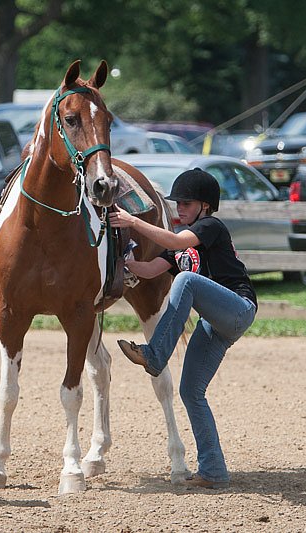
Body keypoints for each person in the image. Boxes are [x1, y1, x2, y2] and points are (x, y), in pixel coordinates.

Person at [108, 167, 257, 490]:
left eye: (187, 203)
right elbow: (149, 270)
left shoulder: (210, 227)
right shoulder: (180, 247)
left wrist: (133, 221)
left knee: (187, 280)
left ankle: (156, 354)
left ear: (205, 206)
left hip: (238, 309)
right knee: (191, 392)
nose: (180, 209)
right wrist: (126, 261)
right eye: (178, 203)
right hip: (215, 323)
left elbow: (175, 240)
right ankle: (213, 470)